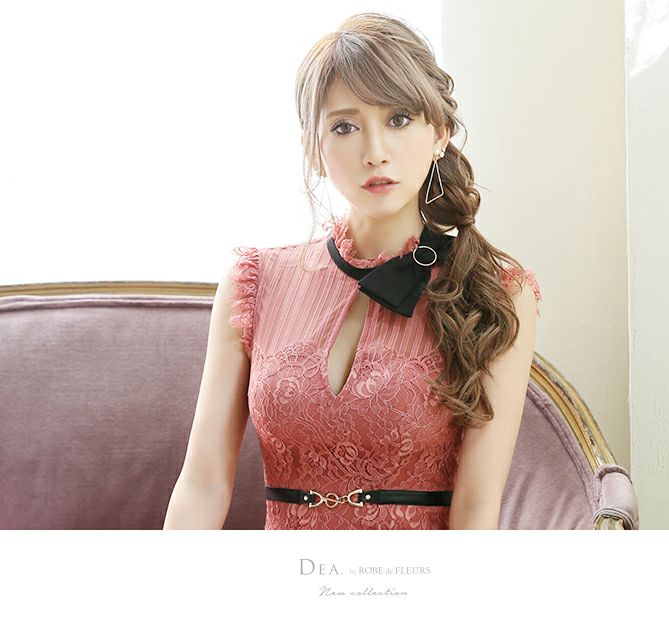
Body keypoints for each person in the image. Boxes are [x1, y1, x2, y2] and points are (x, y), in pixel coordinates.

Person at [163, 12, 542, 530]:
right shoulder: (254, 283)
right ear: (313, 149)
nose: (375, 152)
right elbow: (203, 483)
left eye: (399, 119)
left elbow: (477, 506)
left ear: (440, 133)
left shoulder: (498, 291)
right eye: (345, 127)